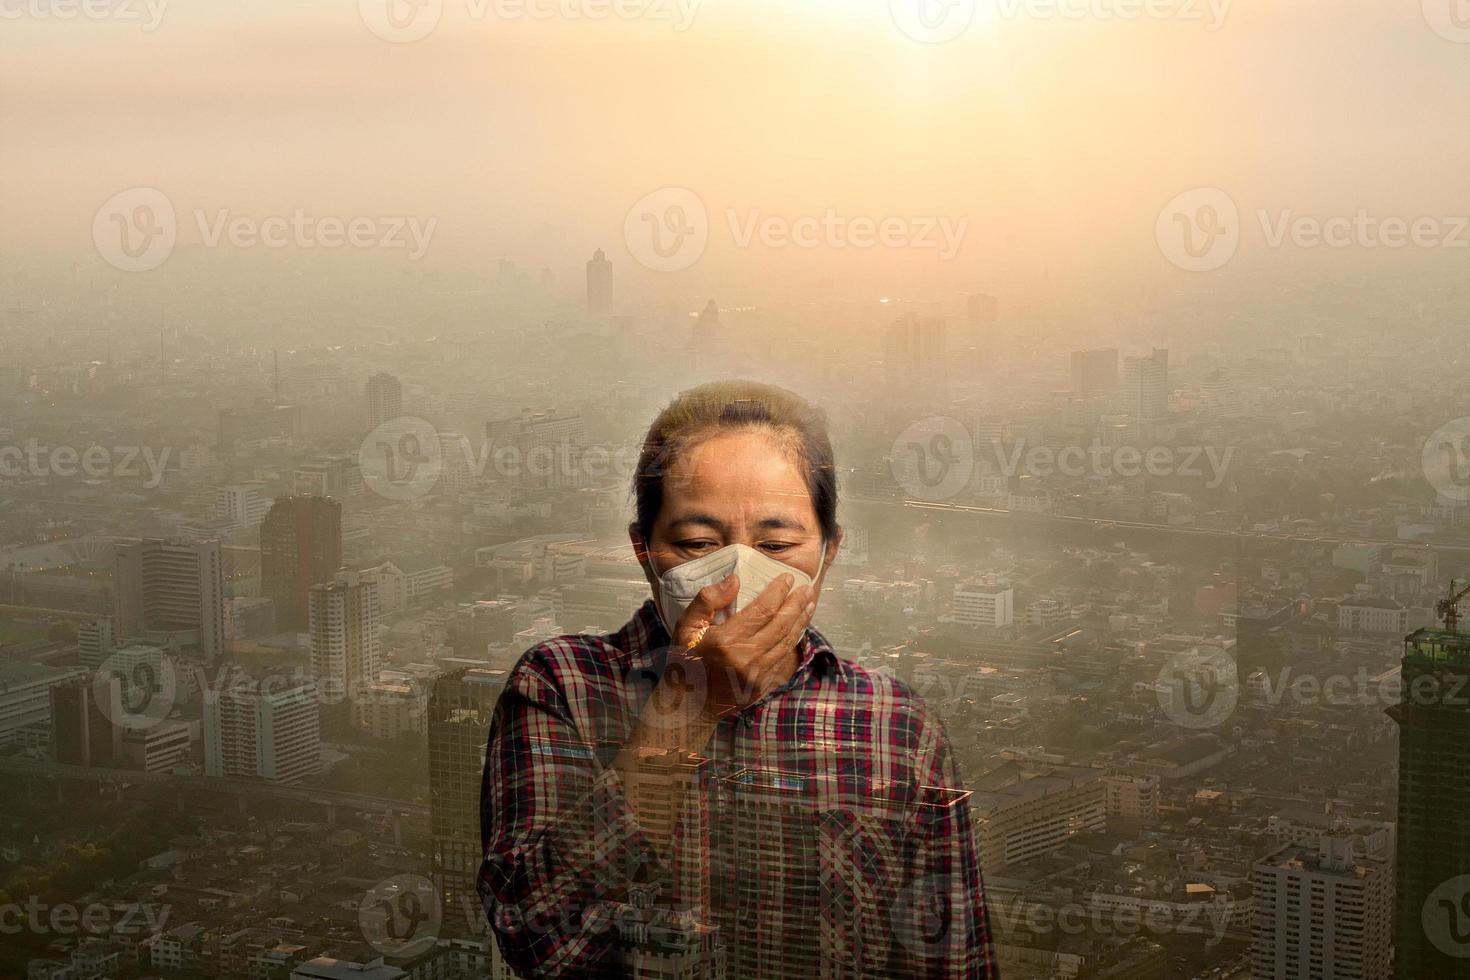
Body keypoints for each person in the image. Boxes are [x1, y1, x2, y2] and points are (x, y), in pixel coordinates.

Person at [478, 380, 997, 978]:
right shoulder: (561, 686)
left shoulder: (895, 725)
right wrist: (689, 706)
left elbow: (952, 962)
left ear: (828, 552)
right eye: (698, 543)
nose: (740, 571)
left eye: (776, 544)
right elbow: (531, 938)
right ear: (643, 551)